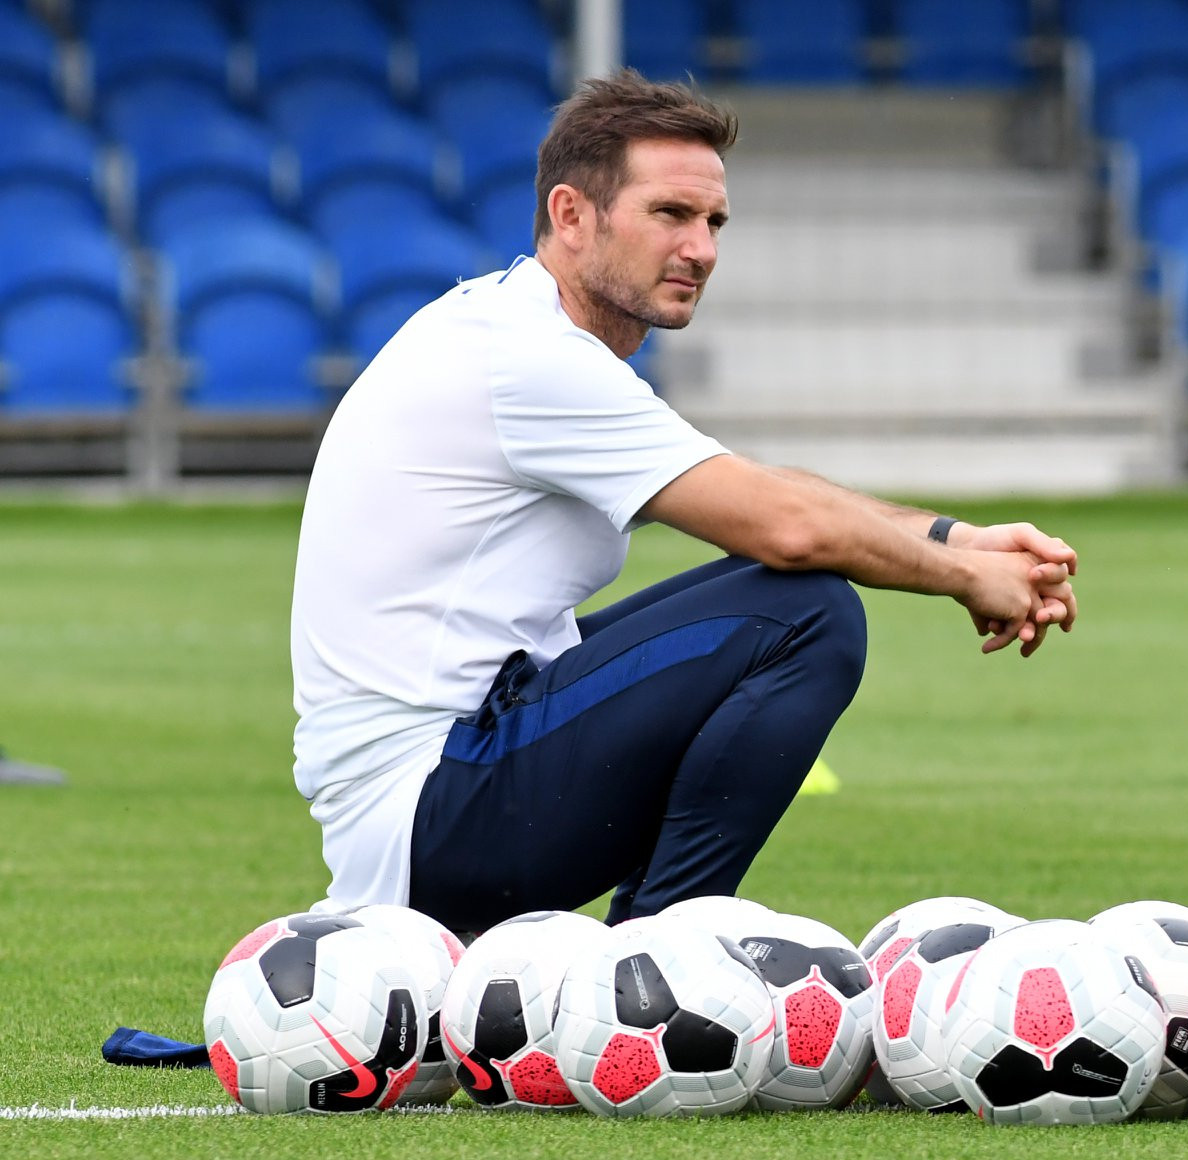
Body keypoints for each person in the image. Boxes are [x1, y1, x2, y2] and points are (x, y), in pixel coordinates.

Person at [289, 71, 1079, 934]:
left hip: (436, 794)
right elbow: (790, 527)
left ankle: (642, 952)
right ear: (571, 214)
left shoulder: (518, 331)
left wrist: (957, 538)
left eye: (714, 222)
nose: (700, 248)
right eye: (670, 213)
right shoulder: (528, 360)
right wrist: (964, 578)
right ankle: (659, 957)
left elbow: (759, 490)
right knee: (808, 613)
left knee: (776, 590)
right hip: (435, 810)